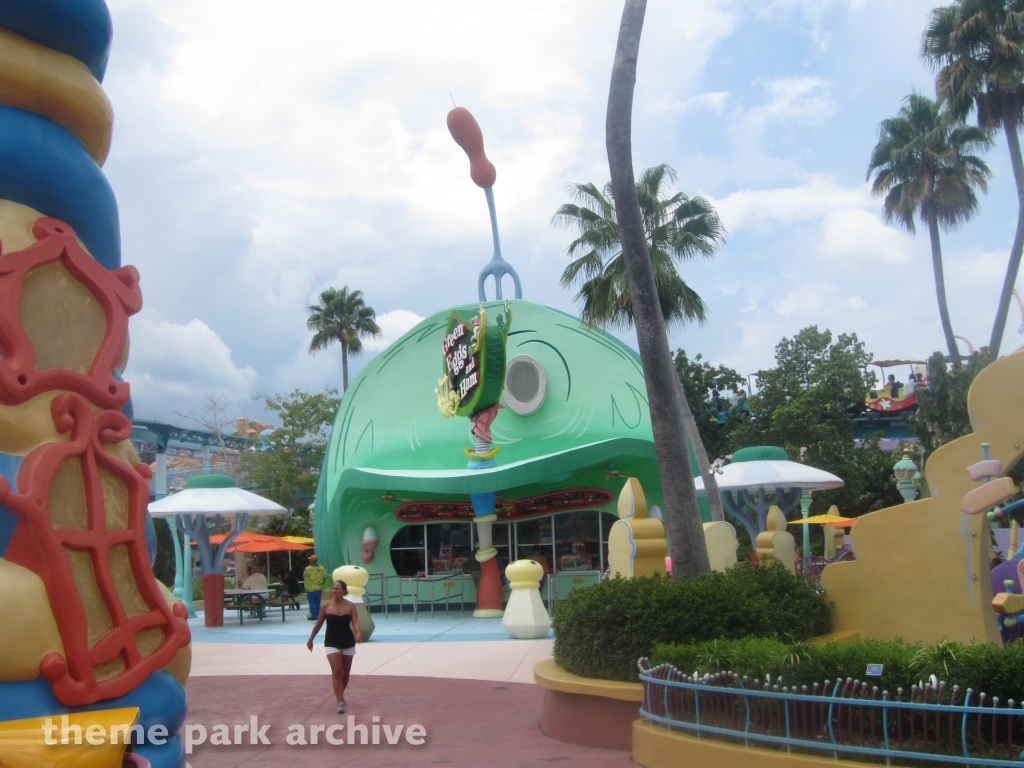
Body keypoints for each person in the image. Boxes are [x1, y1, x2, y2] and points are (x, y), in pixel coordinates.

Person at [306, 579, 361, 713]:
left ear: (343, 591)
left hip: (347, 641)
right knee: (337, 671)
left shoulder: (351, 606)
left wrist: (358, 633)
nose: (334, 591)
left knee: (345, 673)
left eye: (337, 589)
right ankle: (340, 701)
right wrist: (311, 639)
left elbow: (355, 621)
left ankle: (340, 694)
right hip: (331, 641)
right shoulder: (326, 606)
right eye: (333, 589)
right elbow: (318, 624)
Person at [303, 555, 327, 620]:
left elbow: (305, 577)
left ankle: (314, 615)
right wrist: (322, 583)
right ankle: (319, 615)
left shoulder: (307, 569)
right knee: (318, 602)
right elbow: (325, 576)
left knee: (312, 602)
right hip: (319, 588)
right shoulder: (321, 568)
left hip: (310, 588)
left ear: (311, 560)